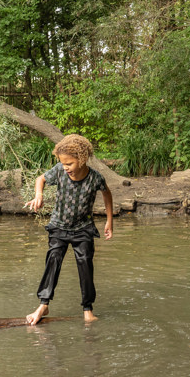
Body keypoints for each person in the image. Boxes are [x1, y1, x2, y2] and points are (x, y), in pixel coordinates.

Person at [24, 134, 114, 325]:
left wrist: (109, 220)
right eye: (63, 164)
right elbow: (40, 179)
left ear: (81, 160)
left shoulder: (95, 178)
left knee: (85, 265)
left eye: (69, 164)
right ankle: (43, 304)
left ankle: (87, 309)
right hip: (58, 225)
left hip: (83, 229)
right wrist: (38, 195)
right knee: (53, 260)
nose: (66, 168)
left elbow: (107, 194)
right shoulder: (59, 171)